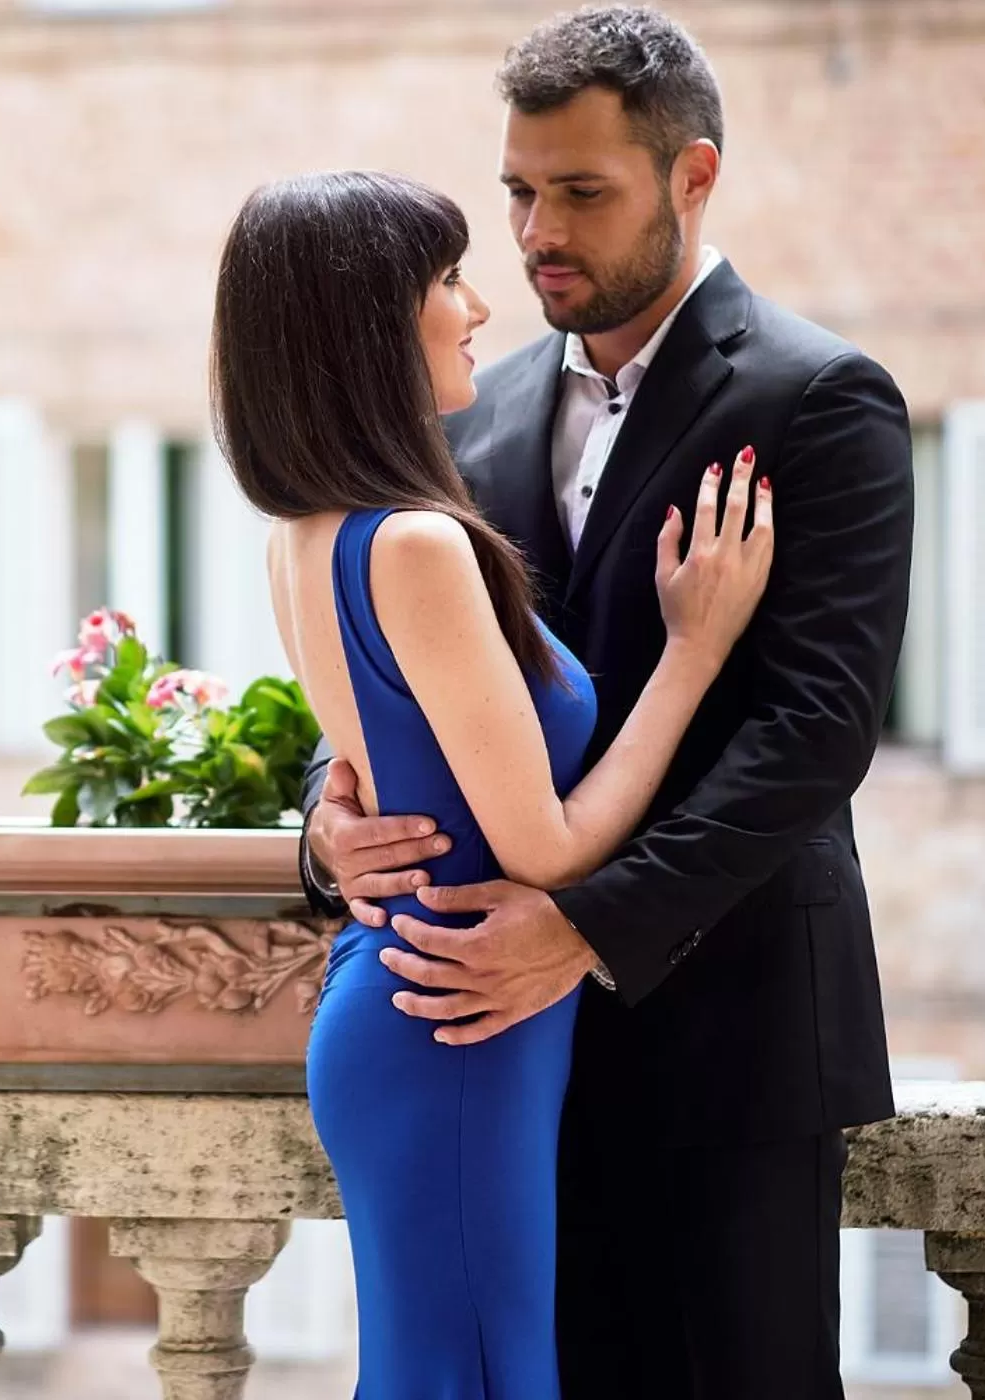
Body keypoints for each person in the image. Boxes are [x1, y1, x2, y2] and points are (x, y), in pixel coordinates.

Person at [296, 9, 914, 1398]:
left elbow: (814, 731)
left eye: (583, 192)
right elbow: (392, 691)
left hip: (730, 1048)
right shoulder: (463, 415)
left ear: (692, 179)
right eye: (519, 190)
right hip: (500, 1063)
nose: (534, 231)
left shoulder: (823, 401)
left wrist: (581, 930)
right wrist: (324, 832)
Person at [214, 163, 773, 1394]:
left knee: (455, 1367)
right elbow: (551, 849)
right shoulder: (413, 544)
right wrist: (694, 652)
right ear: (369, 322)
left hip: (419, 1006)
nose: (478, 306)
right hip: (455, 1018)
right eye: (448, 278)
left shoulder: (302, 534)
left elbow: (376, 764)